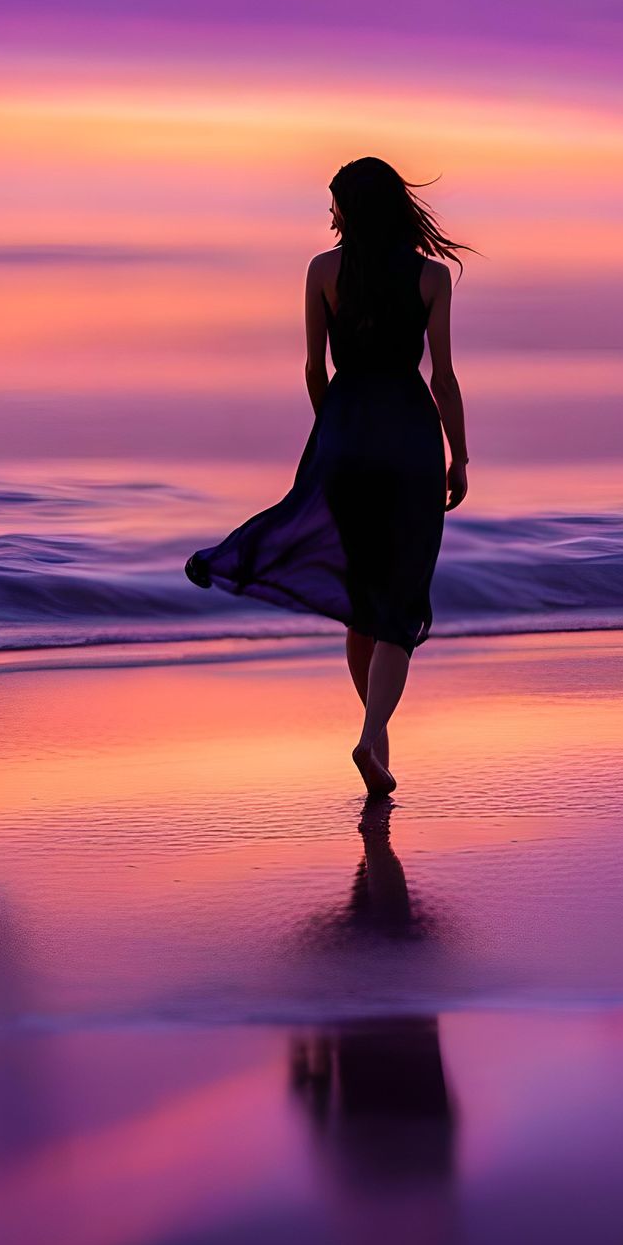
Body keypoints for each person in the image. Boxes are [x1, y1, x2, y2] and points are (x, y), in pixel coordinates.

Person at [184, 157, 475, 797]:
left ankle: (378, 744)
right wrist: (459, 456)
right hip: (410, 439)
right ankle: (372, 739)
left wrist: (335, 435)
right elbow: (444, 379)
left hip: (345, 434)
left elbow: (315, 371)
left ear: (351, 209)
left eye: (336, 203)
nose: (331, 214)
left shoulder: (322, 271)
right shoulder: (431, 277)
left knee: (361, 604)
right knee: (401, 602)